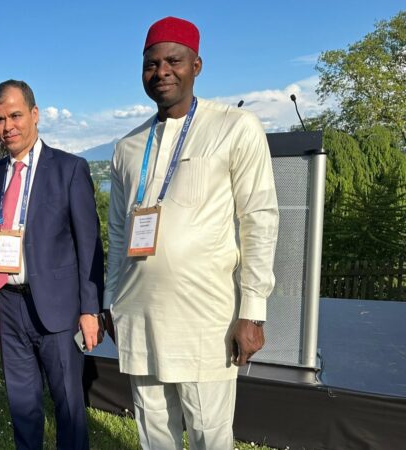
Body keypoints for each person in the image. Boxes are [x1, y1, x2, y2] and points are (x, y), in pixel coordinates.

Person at [104, 17, 280, 450]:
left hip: (207, 318)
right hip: (139, 315)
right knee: (154, 433)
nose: (161, 71)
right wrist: (110, 299)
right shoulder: (127, 147)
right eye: (151, 63)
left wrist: (252, 310)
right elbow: (117, 232)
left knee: (209, 435)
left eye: (173, 61)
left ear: (196, 65)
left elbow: (259, 218)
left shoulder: (235, 126)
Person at [0, 80, 104, 450]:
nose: (8, 127)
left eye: (15, 115)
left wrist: (89, 309)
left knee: (68, 407)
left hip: (59, 308)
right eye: (0, 119)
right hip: (10, 305)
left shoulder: (69, 169)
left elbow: (89, 244)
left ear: (35, 115)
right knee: (23, 408)